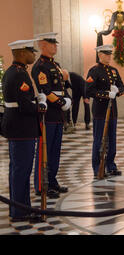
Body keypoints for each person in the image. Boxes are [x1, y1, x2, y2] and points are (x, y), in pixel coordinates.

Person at [1, 39, 46, 222]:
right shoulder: (19, 74)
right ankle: (20, 212)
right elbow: (24, 106)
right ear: (21, 53)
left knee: (19, 170)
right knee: (21, 170)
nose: (33, 55)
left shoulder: (13, 72)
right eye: (30, 51)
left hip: (17, 127)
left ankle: (21, 207)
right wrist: (41, 106)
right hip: (22, 128)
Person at [32, 32, 71, 199]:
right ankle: (42, 185)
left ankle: (52, 181)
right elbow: (45, 90)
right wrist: (61, 102)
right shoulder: (40, 66)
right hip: (47, 112)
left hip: (57, 114)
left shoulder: (55, 65)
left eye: (55, 43)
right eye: (51, 43)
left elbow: (62, 88)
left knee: (55, 150)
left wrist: (67, 99)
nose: (55, 46)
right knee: (45, 151)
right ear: (42, 45)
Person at [86, 45, 124, 178]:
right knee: (99, 140)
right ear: (100, 55)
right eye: (106, 54)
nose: (109, 56)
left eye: (110, 54)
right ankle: (98, 167)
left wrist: (117, 91)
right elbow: (89, 91)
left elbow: (122, 86)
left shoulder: (113, 71)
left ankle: (111, 165)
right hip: (100, 111)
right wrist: (106, 94)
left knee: (112, 140)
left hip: (112, 111)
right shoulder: (94, 71)